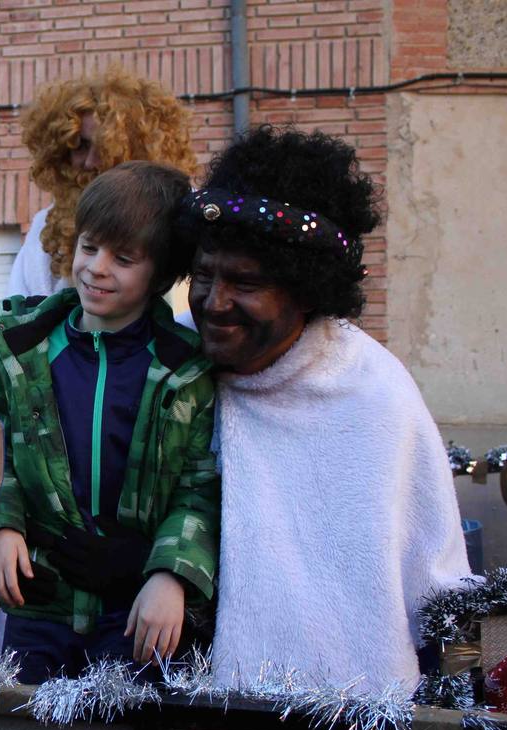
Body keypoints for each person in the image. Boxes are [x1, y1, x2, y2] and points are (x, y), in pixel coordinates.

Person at [178, 126, 471, 693]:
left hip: (345, 717)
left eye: (245, 282)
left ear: (306, 290)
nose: (214, 302)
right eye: (204, 275)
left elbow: (437, 580)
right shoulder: (167, 364)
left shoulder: (373, 393)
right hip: (170, 704)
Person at [0, 161, 218, 684]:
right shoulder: (21, 350)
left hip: (136, 614)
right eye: (89, 247)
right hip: (37, 604)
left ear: (162, 275)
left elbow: (198, 489)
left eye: (123, 259)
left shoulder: (185, 370)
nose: (96, 268)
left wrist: (170, 575)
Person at [9, 66, 197, 298]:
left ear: (142, 150)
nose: (90, 162)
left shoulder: (191, 219)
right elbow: (22, 310)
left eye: (105, 149)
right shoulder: (45, 228)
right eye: (80, 146)